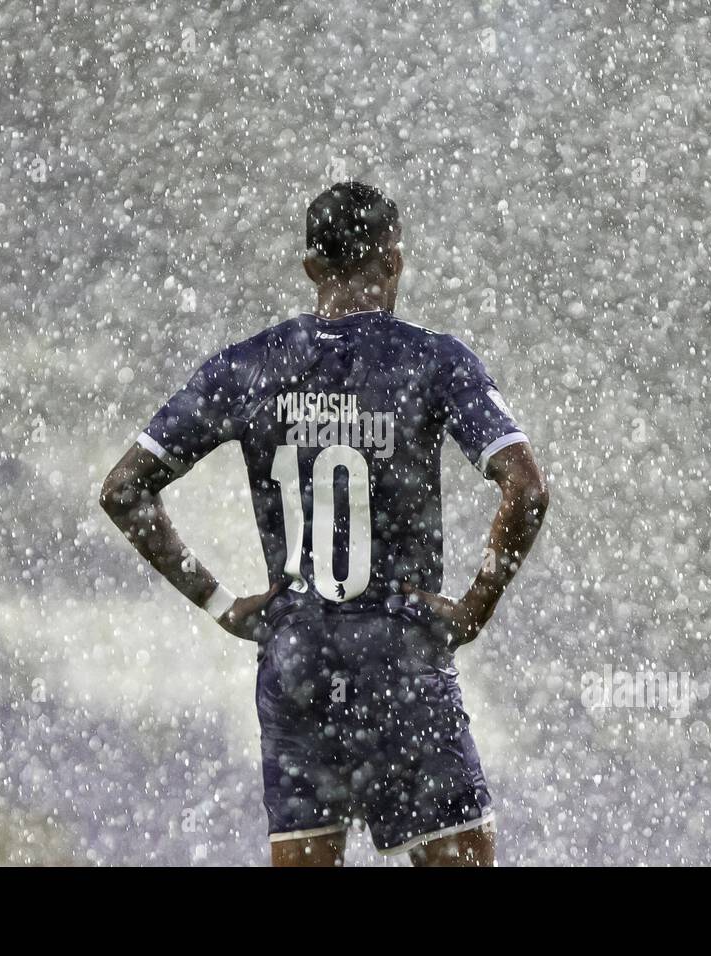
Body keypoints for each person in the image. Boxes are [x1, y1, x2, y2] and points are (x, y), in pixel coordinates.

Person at [100, 181, 548, 866]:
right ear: (394, 262)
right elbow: (526, 488)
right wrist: (473, 609)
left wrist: (222, 603)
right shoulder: (434, 361)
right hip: (400, 659)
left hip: (297, 662)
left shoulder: (249, 366)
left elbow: (125, 489)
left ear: (311, 268)